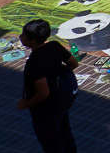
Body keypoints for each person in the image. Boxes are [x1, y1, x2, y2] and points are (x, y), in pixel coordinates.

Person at [17, 19, 79, 153]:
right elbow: (73, 63)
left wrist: (26, 104)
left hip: (46, 110)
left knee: (52, 144)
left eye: (23, 34)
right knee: (66, 136)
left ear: (32, 40)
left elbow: (43, 92)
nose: (20, 37)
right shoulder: (54, 46)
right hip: (62, 102)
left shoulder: (34, 62)